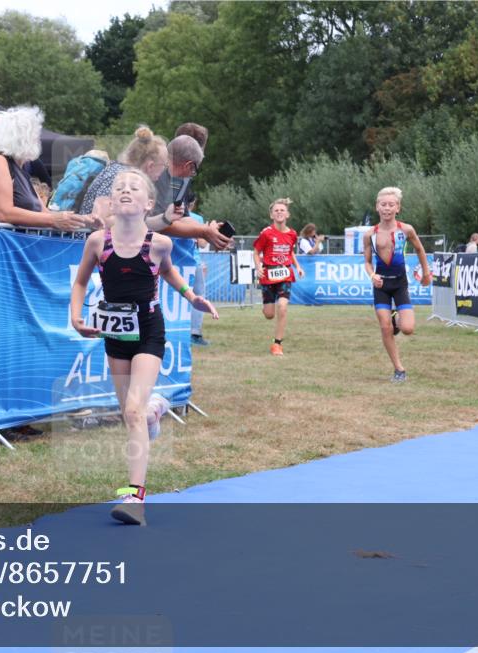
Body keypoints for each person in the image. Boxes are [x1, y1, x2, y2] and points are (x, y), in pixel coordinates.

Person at [69, 168, 218, 526]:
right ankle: (155, 411)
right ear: (109, 202)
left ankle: (136, 498)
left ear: (148, 203)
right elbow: (80, 282)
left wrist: (192, 296)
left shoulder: (159, 243)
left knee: (131, 412)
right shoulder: (97, 242)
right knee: (131, 413)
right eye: (119, 187)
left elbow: (167, 271)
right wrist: (76, 317)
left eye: (134, 187)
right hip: (115, 333)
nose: (125, 190)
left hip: (149, 329)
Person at [79, 128, 231, 249]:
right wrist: (202, 231)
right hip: (88, 253)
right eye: (163, 166)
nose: (164, 171)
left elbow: (138, 223)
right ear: (150, 166)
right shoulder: (118, 176)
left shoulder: (122, 175)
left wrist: (166, 218)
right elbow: (100, 221)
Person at [0, 106, 93, 229]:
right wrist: (53, 220)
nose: (37, 139)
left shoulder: (20, 169)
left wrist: (84, 220)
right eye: (33, 134)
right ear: (19, 137)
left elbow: (44, 213)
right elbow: (4, 212)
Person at [362, 187, 432, 383]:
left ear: (398, 208)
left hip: (400, 284)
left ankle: (396, 318)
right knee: (385, 328)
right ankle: (399, 369)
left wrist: (426, 273)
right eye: (383, 204)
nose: (387, 208)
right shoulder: (369, 234)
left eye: (391, 205)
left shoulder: (406, 229)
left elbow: (419, 249)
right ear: (377, 207)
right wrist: (372, 275)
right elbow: (367, 262)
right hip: (381, 287)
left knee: (408, 328)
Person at [253, 199, 304, 356]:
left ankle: (277, 344)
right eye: (276, 210)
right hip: (268, 275)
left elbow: (290, 252)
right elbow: (256, 252)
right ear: (271, 215)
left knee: (282, 307)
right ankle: (267, 306)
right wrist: (258, 267)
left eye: (282, 210)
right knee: (269, 314)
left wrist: (298, 267)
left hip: (285, 274)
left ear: (287, 214)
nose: (279, 212)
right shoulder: (266, 233)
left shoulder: (292, 234)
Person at [186, 193, 210, 346]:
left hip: (175, 263)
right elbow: (202, 244)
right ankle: (195, 333)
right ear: (193, 203)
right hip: (194, 262)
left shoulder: (171, 217)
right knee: (198, 296)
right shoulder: (197, 219)